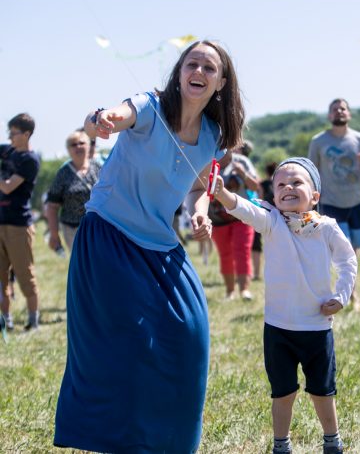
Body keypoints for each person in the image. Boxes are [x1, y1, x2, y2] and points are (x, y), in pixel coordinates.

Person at [53, 40, 245, 453]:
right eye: (192, 63)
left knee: (190, 336)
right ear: (179, 72)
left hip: (161, 244)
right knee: (125, 347)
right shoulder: (150, 106)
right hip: (109, 234)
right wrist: (100, 120)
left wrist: (199, 211)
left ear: (221, 82)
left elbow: (198, 185)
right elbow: (109, 118)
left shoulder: (212, 135)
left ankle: (171, 444)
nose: (199, 70)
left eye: (208, 67)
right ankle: (117, 441)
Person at [212, 157, 357, 454]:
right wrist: (222, 193)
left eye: (297, 182)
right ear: (273, 194)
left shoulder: (326, 227)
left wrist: (341, 296)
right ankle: (281, 445)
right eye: (281, 184)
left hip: (316, 327)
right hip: (278, 328)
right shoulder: (272, 222)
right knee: (282, 392)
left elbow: (347, 261)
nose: (288, 187)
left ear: (315, 196)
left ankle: (332, 440)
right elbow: (245, 208)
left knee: (323, 390)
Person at [308, 98, 360, 308]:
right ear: (329, 115)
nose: (339, 111)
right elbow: (310, 173)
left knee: (353, 252)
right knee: (340, 251)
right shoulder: (318, 141)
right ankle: (344, 295)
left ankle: (350, 293)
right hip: (330, 203)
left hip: (356, 203)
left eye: (343, 109)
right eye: (335, 109)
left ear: (349, 114)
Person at [0, 113, 41, 332]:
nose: (10, 137)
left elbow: (7, 186)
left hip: (18, 225)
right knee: (0, 278)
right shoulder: (8, 150)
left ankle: (33, 321)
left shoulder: (30, 161)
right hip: (1, 222)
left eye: (14, 133)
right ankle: (5, 320)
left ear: (26, 134)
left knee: (25, 275)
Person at [209, 147, 260, 300]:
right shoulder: (206, 161)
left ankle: (244, 290)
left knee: (242, 251)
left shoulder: (242, 161)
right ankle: (230, 292)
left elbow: (255, 186)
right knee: (225, 254)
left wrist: (243, 174)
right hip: (217, 219)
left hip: (242, 217)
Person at [45, 129, 102, 253]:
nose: (78, 147)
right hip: (73, 229)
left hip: (99, 227)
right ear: (68, 149)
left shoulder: (98, 167)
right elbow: (52, 207)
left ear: (89, 145)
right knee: (82, 265)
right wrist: (54, 235)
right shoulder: (63, 173)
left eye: (81, 143)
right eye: (73, 144)